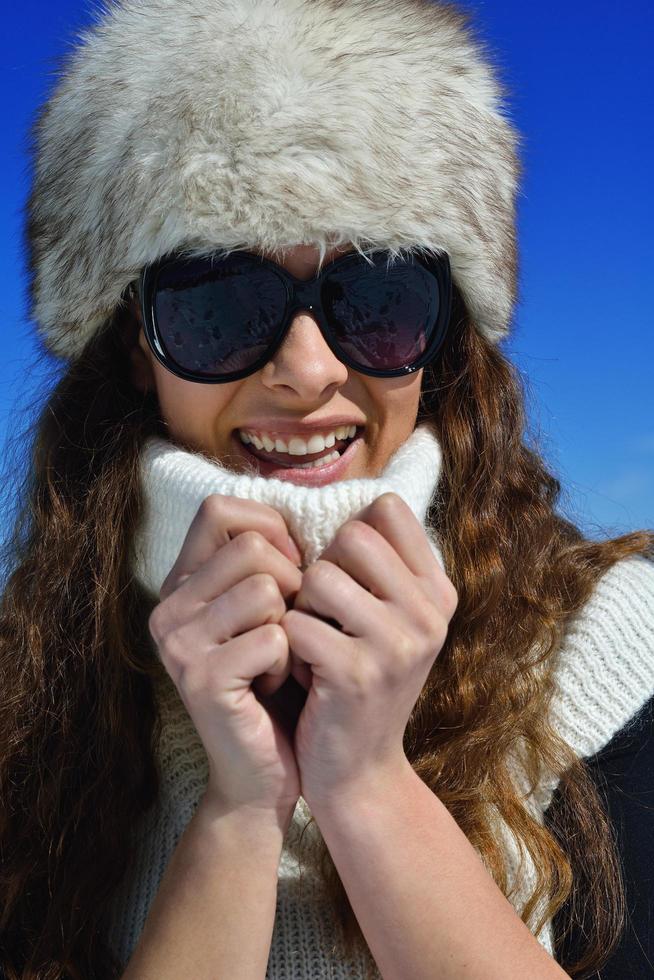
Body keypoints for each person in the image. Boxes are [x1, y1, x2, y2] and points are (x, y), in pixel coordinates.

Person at [1, 0, 652, 977]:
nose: (308, 370)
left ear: (444, 341)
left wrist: (368, 786)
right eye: (222, 301)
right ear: (137, 344)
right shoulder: (26, 695)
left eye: (380, 297)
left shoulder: (621, 647)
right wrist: (235, 811)